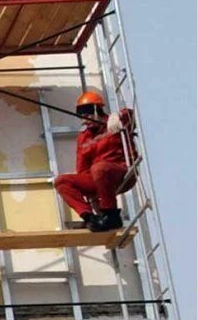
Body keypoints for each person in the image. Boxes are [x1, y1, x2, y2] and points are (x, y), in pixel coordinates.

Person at [55, 90, 137, 232]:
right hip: (98, 177)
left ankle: (111, 215)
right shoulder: (84, 137)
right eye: (82, 116)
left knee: (99, 168)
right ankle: (89, 217)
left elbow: (131, 116)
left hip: (120, 172)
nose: (85, 119)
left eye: (87, 114)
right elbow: (82, 168)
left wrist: (119, 115)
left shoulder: (114, 123)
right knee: (61, 181)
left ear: (96, 110)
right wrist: (91, 199)